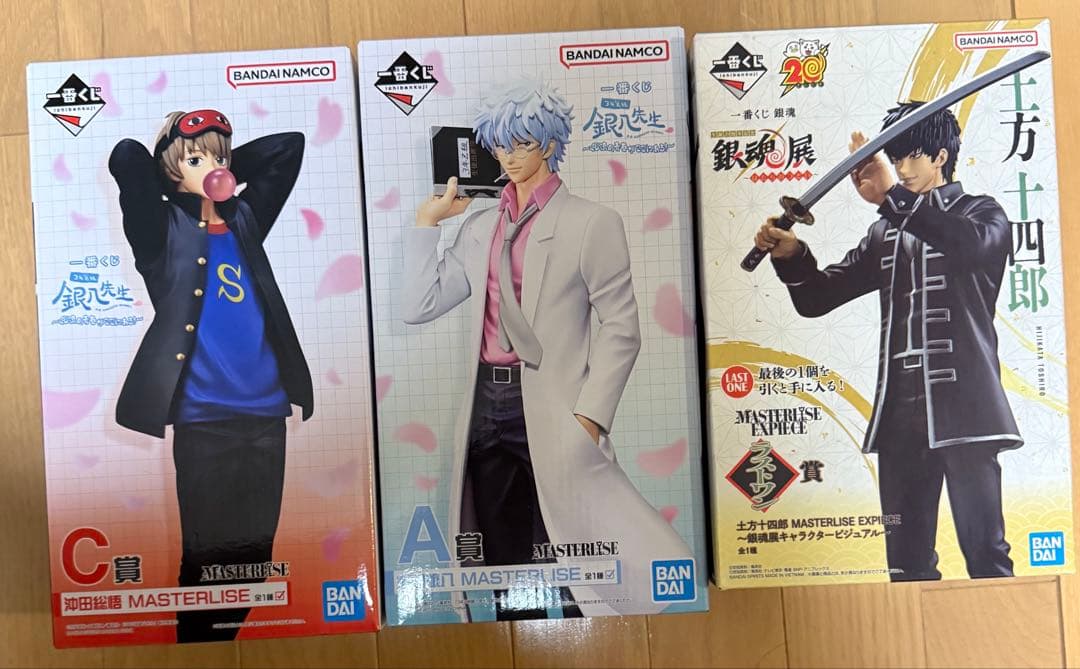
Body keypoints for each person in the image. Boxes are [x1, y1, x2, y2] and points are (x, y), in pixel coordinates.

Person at [402, 78, 692, 620]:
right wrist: (427, 224)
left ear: (551, 143)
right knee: (502, 558)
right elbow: (419, 305)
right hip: (485, 404)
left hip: (554, 405)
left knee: (571, 546)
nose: (510, 157)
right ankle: (515, 630)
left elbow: (621, 327)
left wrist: (591, 417)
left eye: (523, 143)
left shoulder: (590, 222)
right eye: (500, 145)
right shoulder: (480, 227)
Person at [754, 102, 1021, 581]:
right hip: (899, 412)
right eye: (895, 159)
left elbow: (969, 245)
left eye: (911, 156)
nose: (902, 168)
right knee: (905, 564)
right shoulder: (884, 232)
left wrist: (891, 198)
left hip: (966, 407)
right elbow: (817, 299)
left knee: (986, 555)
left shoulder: (982, 213)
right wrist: (792, 255)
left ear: (941, 157)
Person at [109, 110, 312, 641]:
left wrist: (216, 163)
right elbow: (127, 157)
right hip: (203, 420)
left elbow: (288, 146)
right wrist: (182, 167)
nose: (215, 166)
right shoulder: (158, 232)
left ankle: (219, 642)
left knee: (254, 559)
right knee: (206, 559)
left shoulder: (244, 218)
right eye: (198, 159)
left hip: (266, 414)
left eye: (220, 157)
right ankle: (198, 645)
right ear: (170, 169)